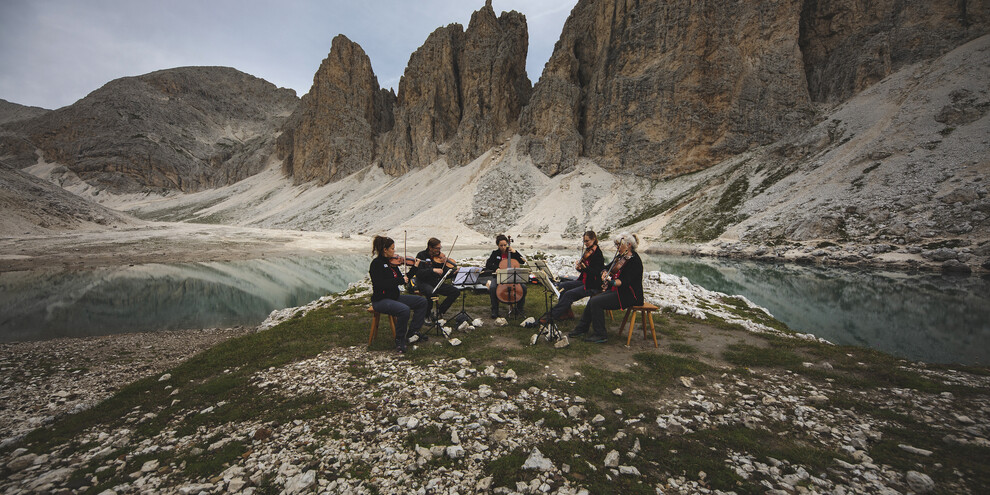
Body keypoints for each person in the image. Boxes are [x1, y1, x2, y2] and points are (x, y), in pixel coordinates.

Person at [568, 232, 644, 343]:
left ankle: (600, 334)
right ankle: (582, 328)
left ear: (628, 245)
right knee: (593, 299)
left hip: (630, 295)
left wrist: (611, 282)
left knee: (596, 302)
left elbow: (625, 282)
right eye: (616, 245)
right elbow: (607, 267)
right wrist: (604, 272)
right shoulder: (621, 257)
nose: (617, 248)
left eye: (619, 245)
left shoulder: (635, 261)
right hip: (620, 292)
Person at [369, 235, 428, 353]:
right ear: (385, 250)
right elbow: (380, 284)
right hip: (381, 300)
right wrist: (399, 280)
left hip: (394, 297)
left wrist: (415, 268)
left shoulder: (392, 264)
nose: (394, 251)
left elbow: (404, 279)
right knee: (404, 310)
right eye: (392, 248)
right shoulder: (376, 264)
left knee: (422, 302)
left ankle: (412, 332)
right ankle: (400, 339)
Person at [544, 231, 604, 323]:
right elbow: (585, 271)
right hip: (584, 280)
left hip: (592, 284)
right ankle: (566, 312)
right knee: (563, 286)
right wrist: (580, 268)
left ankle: (553, 315)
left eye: (587, 241)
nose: (585, 243)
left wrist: (586, 268)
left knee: (569, 294)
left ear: (594, 239)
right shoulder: (588, 251)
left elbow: (596, 273)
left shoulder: (598, 254)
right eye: (584, 241)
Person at [409, 237, 461, 321]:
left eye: (440, 248)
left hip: (435, 282)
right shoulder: (421, 255)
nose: (439, 251)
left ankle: (440, 311)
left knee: (455, 292)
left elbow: (443, 274)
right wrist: (432, 270)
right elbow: (419, 273)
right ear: (430, 247)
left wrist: (453, 272)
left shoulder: (440, 259)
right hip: (423, 282)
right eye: (437, 248)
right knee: (431, 292)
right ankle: (427, 314)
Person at [483, 234, 527, 319]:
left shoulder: (512, 253)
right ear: (498, 245)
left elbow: (522, 262)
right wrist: (496, 268)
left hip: (513, 277)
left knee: (524, 288)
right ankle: (495, 309)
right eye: (501, 245)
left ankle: (519, 309)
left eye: (504, 245)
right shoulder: (495, 253)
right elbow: (488, 264)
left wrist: (515, 252)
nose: (503, 247)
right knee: (492, 288)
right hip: (499, 276)